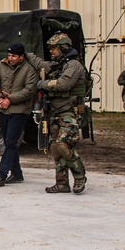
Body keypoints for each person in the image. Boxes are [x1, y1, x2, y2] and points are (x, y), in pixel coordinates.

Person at [29, 33, 88, 194]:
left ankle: (79, 176)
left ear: (63, 48)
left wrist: (43, 84)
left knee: (63, 145)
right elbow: (41, 64)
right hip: (53, 113)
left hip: (69, 112)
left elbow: (63, 84)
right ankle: (62, 183)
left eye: (54, 48)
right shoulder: (58, 65)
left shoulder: (74, 65)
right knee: (55, 148)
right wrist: (26, 54)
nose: (51, 51)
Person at [0, 41, 39, 187]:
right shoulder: (1, 65)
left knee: (10, 142)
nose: (10, 58)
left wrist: (10, 99)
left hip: (20, 111)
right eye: (9, 55)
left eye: (14, 56)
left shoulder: (29, 70)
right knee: (9, 142)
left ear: (21, 57)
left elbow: (29, 90)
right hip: (3, 109)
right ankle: (17, 173)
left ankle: (2, 174)